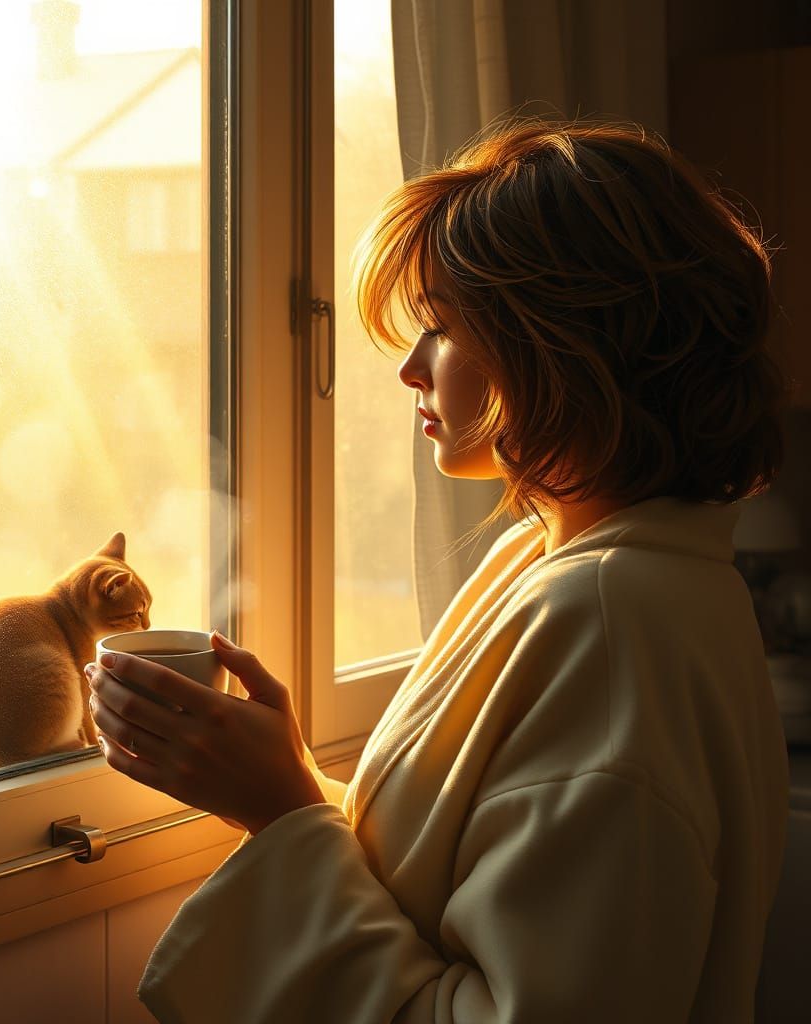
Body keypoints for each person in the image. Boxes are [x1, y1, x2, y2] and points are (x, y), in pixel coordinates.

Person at [83, 118, 793, 1023]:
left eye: (441, 327)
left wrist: (283, 816)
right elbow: (466, 880)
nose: (411, 369)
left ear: (562, 345)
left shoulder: (612, 621)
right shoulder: (569, 562)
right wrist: (284, 778)